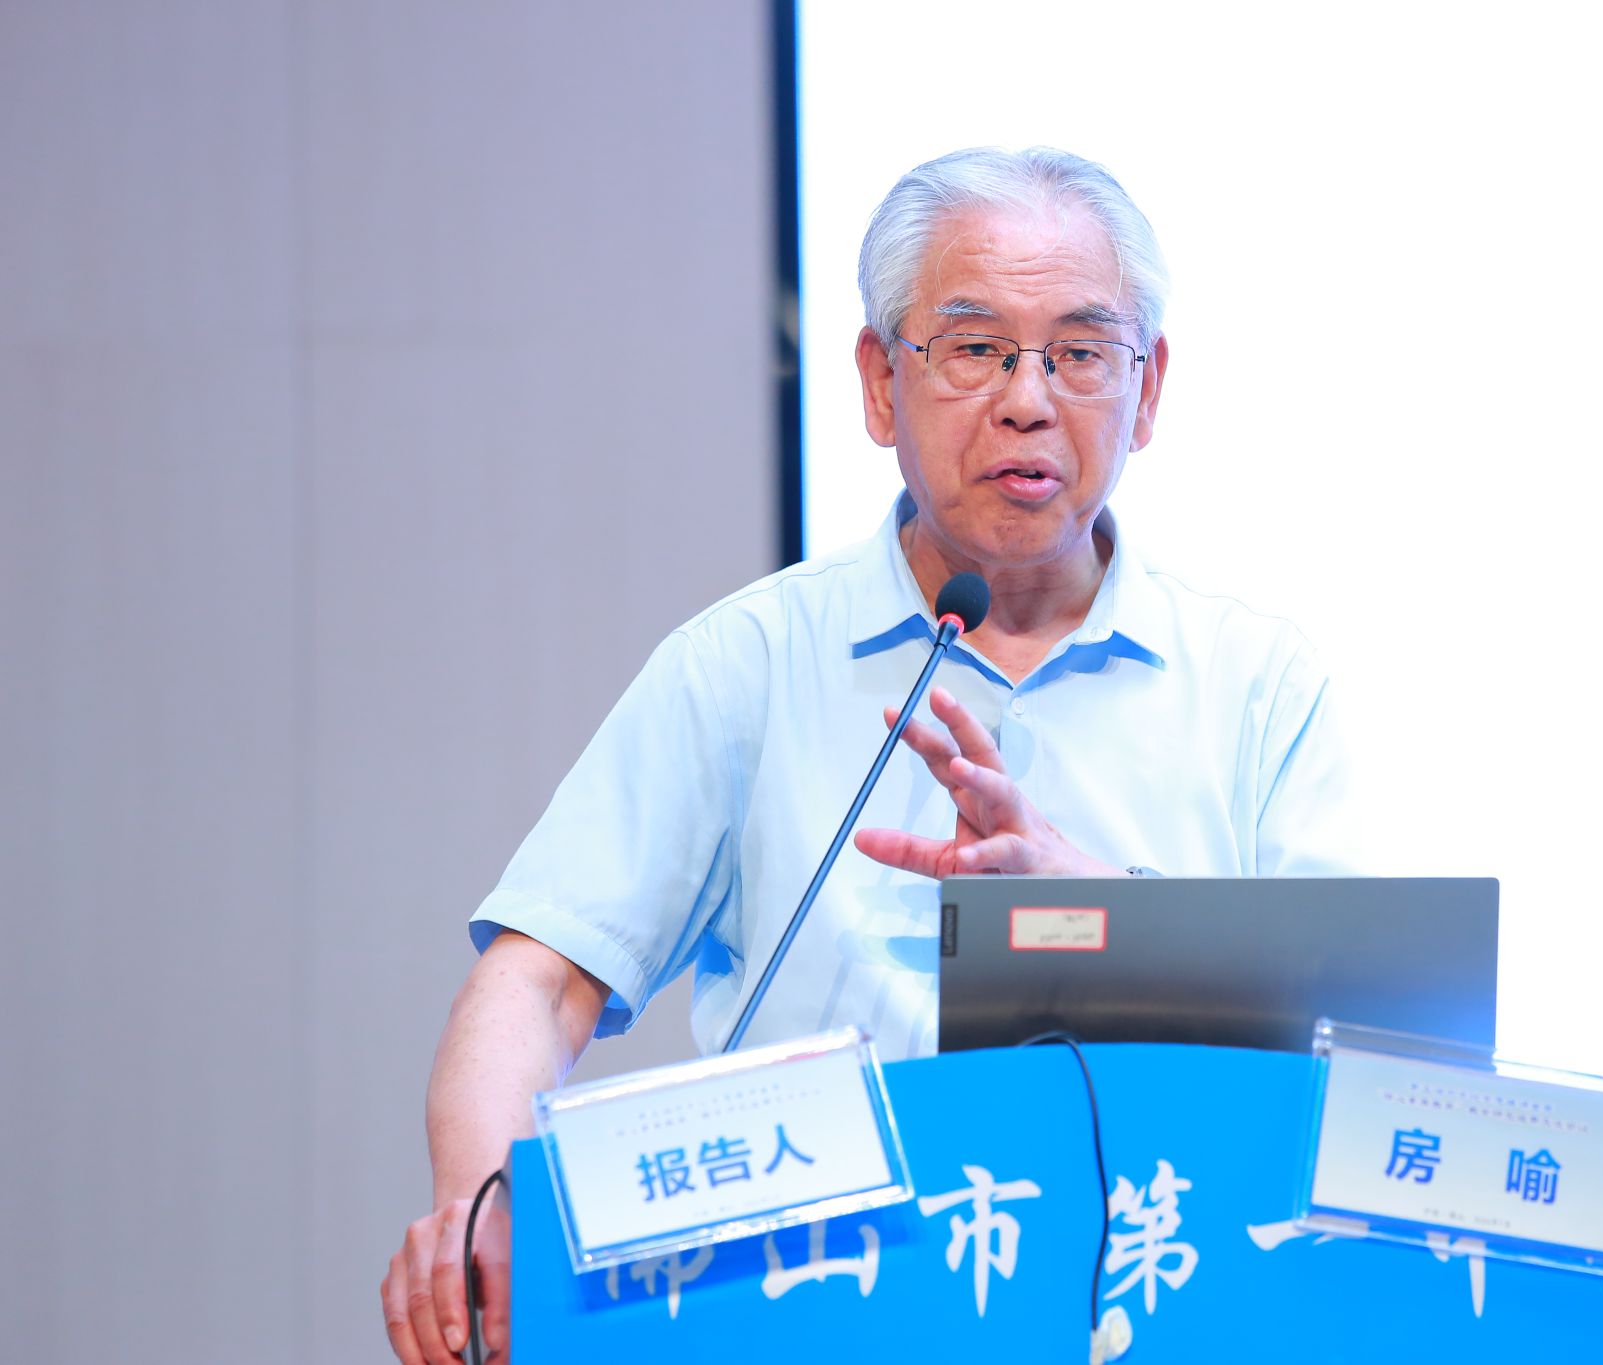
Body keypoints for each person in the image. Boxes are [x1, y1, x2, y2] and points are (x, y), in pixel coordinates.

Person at [381, 146, 1361, 1365]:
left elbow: (1362, 1051)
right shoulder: (746, 665)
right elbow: (536, 982)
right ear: (879, 383)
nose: (1026, 400)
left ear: (1146, 388)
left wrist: (1092, 914)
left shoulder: (1258, 685)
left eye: (1077, 352)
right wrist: (485, 1207)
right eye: (974, 348)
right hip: (817, 1321)